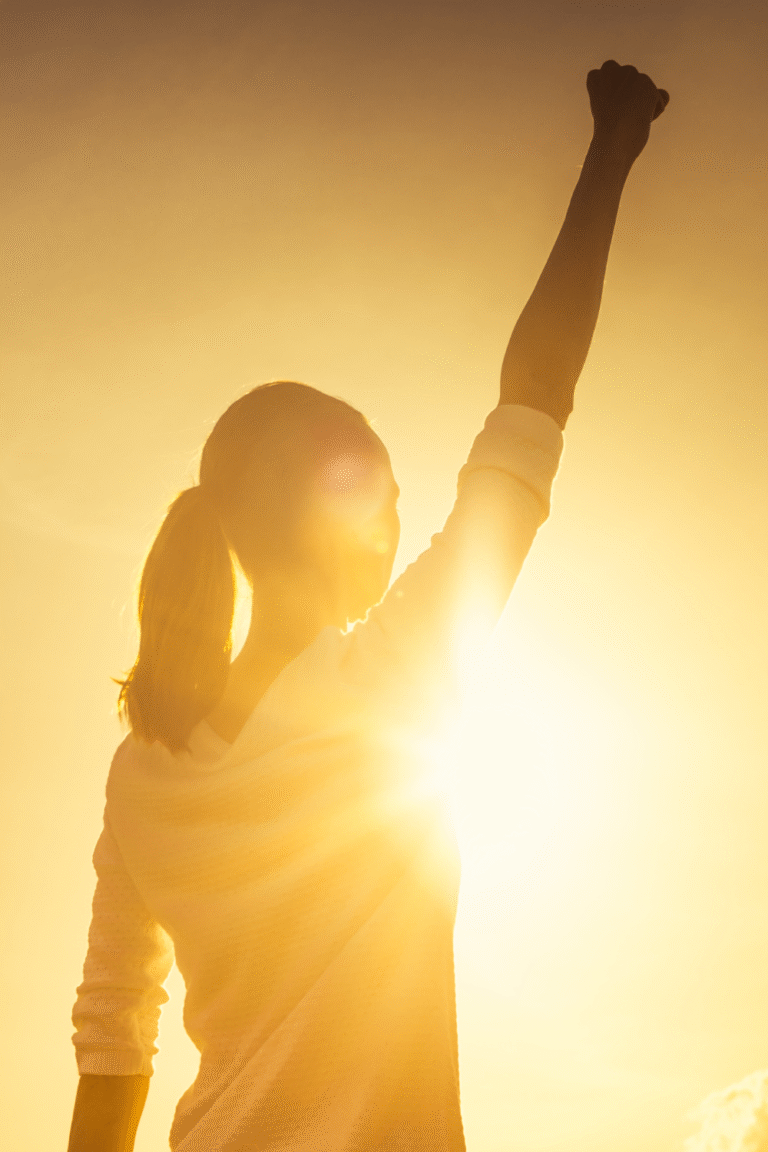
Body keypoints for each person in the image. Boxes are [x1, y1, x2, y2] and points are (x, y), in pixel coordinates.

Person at [67, 60, 669, 1152]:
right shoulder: (388, 683)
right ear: (330, 517)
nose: (400, 521)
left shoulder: (142, 773)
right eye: (384, 496)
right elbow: (533, 402)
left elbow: (113, 1041)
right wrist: (611, 150)